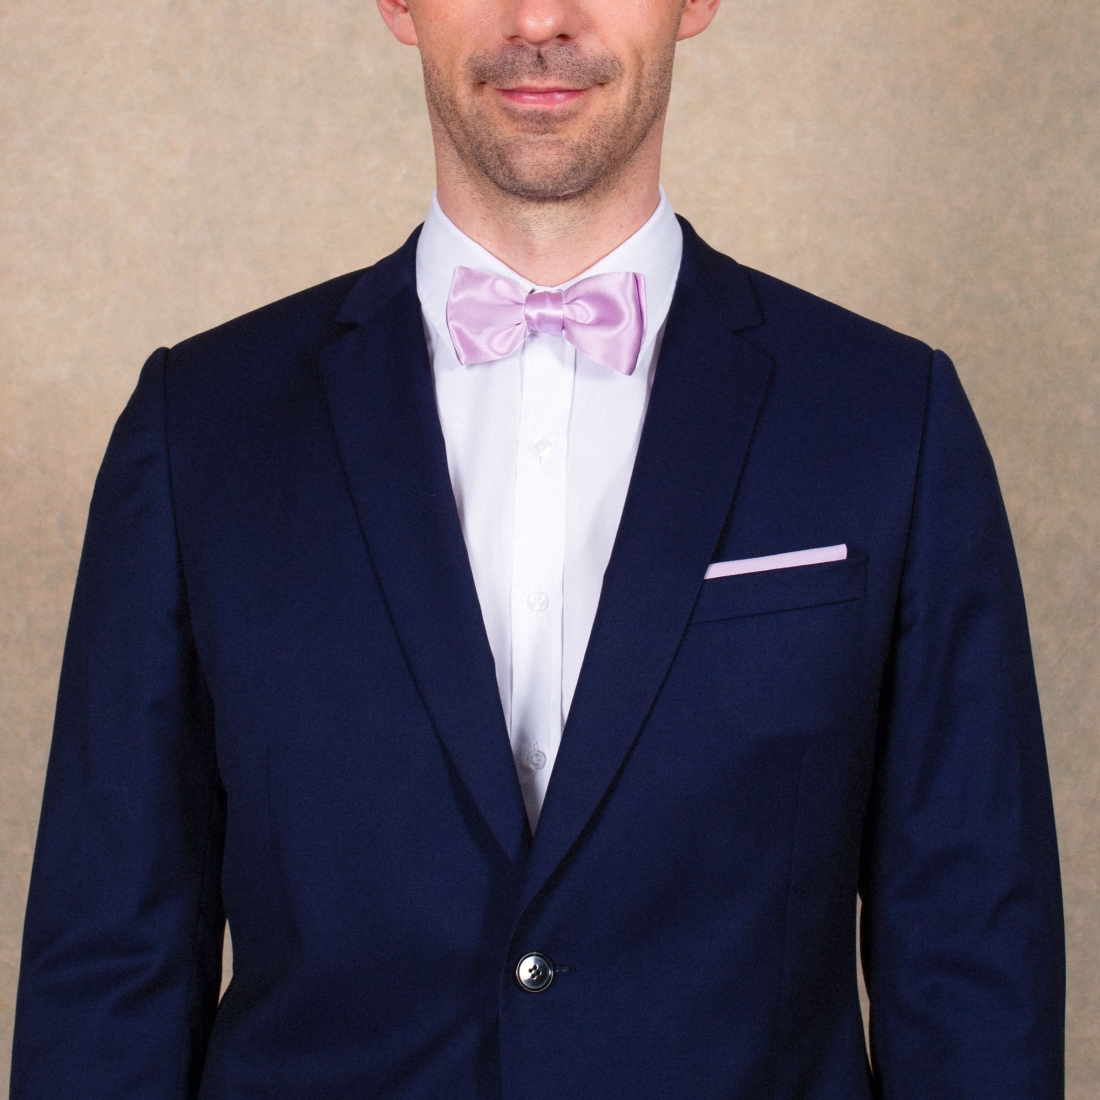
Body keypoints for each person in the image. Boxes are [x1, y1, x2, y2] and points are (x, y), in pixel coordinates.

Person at [11, 0, 1064, 1096]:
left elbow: (972, 958)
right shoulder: (198, 425)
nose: (540, 17)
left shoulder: (891, 417)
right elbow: (109, 960)